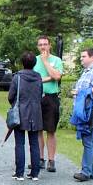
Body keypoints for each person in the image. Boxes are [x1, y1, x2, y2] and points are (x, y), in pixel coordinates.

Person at [8, 52, 44, 181]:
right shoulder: (38, 77)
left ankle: (19, 173)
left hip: (20, 113)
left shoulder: (17, 77)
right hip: (35, 112)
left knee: (19, 143)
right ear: (35, 63)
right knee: (34, 143)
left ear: (22, 63)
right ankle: (35, 173)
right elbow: (40, 94)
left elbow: (11, 96)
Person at [72, 48, 93, 182]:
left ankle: (85, 172)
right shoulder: (86, 72)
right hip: (86, 112)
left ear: (92, 57)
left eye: (84, 56)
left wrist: (81, 92)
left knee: (88, 141)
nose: (81, 59)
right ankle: (91, 172)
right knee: (90, 141)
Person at [32, 35, 64, 172]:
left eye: (45, 44)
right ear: (37, 47)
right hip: (37, 97)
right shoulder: (34, 61)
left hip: (51, 98)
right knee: (38, 129)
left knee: (51, 130)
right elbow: (33, 79)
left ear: (50, 45)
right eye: (40, 45)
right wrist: (47, 78)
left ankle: (51, 160)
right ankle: (40, 158)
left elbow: (57, 76)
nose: (43, 47)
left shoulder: (56, 60)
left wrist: (45, 62)